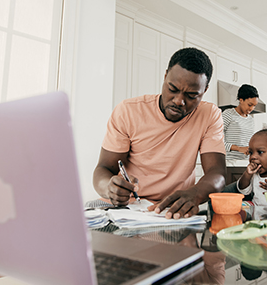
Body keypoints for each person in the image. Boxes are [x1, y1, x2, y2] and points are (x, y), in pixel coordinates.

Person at [92, 47, 226, 219]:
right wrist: (108, 187)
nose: (179, 101)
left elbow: (217, 173)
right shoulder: (128, 111)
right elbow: (103, 168)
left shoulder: (209, 115)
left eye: (192, 95)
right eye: (172, 88)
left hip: (173, 210)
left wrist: (196, 193)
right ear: (165, 77)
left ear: (204, 91)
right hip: (126, 208)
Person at [237, 127, 267, 219]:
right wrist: (248, 174)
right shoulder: (255, 174)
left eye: (260, 152)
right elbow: (243, 190)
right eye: (251, 152)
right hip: (256, 218)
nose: (253, 157)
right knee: (236, 207)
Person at [222, 84, 259, 162]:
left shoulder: (251, 120)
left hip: (246, 162)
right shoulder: (228, 114)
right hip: (230, 161)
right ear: (241, 100)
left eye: (254, 106)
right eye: (249, 105)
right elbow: (217, 140)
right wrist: (238, 148)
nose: (252, 108)